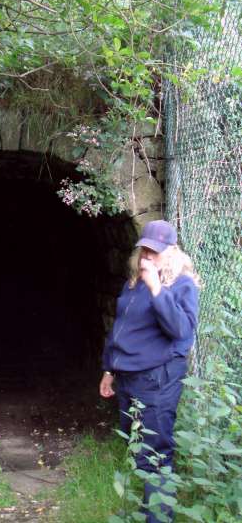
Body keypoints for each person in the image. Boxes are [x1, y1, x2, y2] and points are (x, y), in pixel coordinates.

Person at [100, 220, 199, 523]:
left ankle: (158, 517)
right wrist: (108, 368)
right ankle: (148, 510)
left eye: (155, 252)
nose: (147, 256)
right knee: (137, 447)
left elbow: (180, 329)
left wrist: (157, 287)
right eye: (144, 249)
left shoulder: (181, 284)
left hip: (156, 380)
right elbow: (120, 329)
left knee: (156, 453)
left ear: (171, 251)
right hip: (128, 377)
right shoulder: (133, 283)